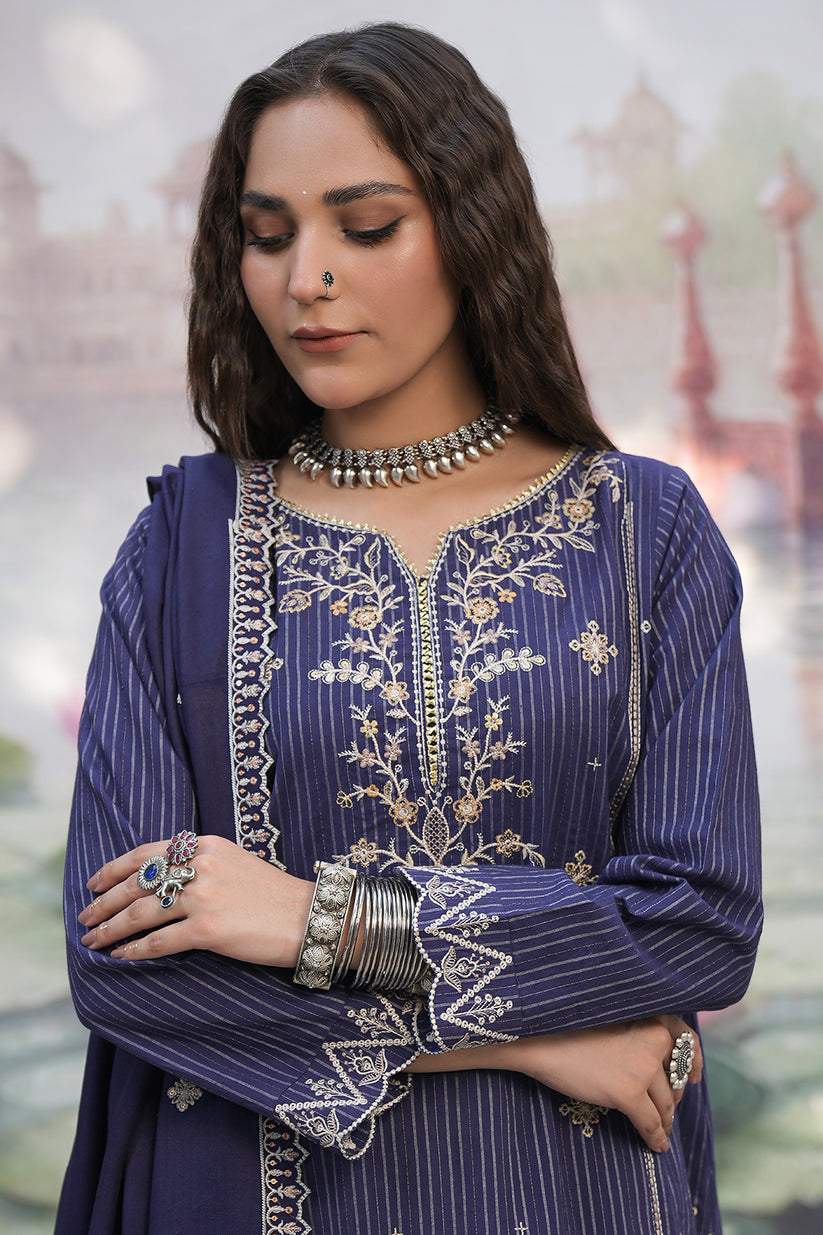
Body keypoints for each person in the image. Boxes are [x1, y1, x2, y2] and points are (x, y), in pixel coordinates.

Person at [57, 22, 762, 1235]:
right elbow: (126, 958)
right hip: (265, 1192)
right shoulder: (184, 549)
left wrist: (313, 917)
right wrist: (536, 1038)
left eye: (364, 226)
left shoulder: (644, 530)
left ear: (469, 228)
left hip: (583, 1193)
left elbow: (697, 925)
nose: (303, 277)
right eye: (267, 234)